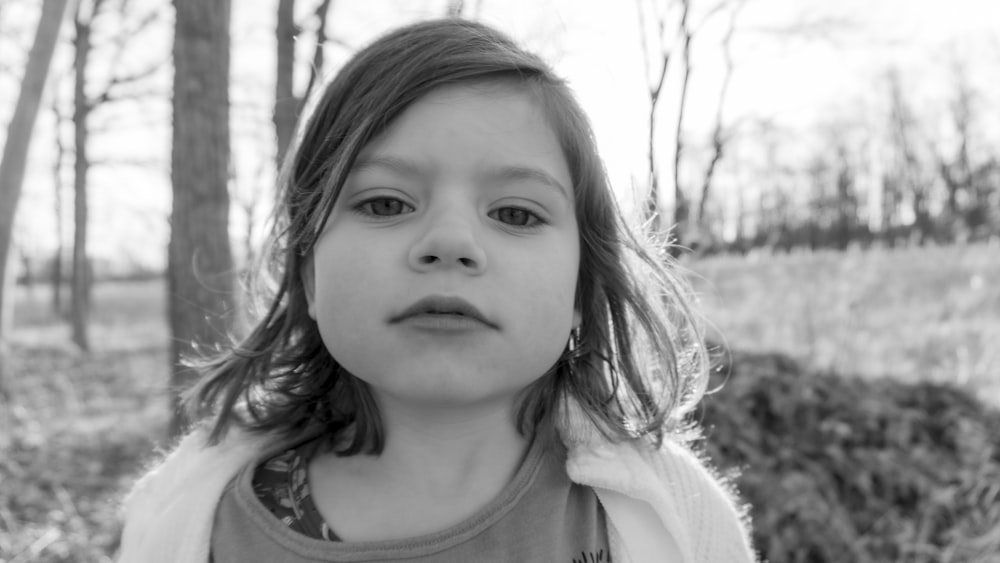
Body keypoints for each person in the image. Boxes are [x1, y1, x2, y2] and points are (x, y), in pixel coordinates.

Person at [118, 18, 756, 563]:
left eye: (515, 214)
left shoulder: (671, 523)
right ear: (309, 273)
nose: (450, 242)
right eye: (387, 202)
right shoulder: (188, 523)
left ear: (582, 289)